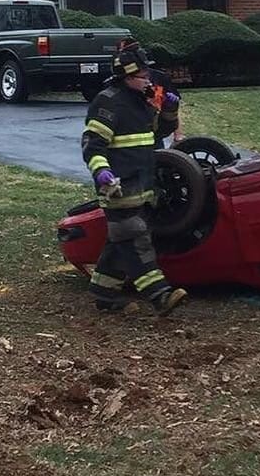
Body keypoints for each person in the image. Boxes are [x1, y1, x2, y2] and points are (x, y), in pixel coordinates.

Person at [80, 39, 187, 315]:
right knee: (135, 239)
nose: (148, 79)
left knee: (121, 241)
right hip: (117, 188)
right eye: (143, 75)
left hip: (143, 185)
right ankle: (160, 295)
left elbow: (158, 133)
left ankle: (104, 294)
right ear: (127, 76)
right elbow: (92, 145)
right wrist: (102, 172)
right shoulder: (107, 103)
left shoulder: (142, 101)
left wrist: (170, 111)